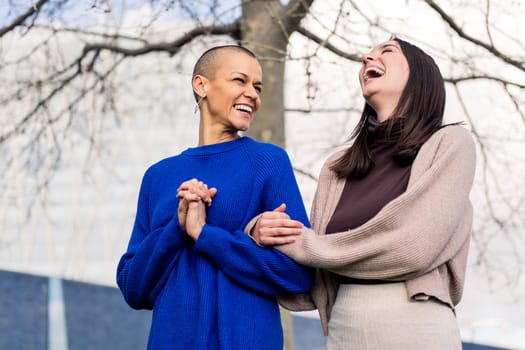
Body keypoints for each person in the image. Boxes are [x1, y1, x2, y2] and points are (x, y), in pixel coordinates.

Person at [236, 37, 476, 349]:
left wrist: (302, 243)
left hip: (416, 323)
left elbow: (414, 248)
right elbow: (311, 278)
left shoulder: (451, 144)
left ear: (420, 76)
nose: (367, 57)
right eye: (368, 55)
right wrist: (259, 232)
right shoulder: (337, 168)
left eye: (386, 52)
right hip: (343, 328)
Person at [116, 45, 313, 350]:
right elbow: (133, 288)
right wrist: (178, 226)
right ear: (201, 85)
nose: (253, 94)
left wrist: (205, 235)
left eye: (257, 87)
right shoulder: (158, 176)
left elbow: (300, 275)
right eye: (240, 80)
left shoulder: (268, 162)